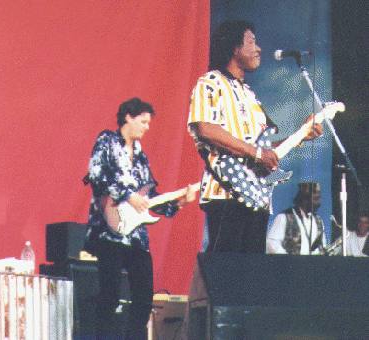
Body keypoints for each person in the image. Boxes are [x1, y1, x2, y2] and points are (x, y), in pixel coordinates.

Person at [187, 20, 322, 253]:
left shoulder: (250, 95)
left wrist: (300, 136)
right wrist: (258, 153)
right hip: (226, 194)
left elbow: (264, 151)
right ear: (234, 47)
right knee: (226, 271)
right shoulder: (211, 82)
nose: (258, 48)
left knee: (250, 275)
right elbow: (206, 128)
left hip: (257, 197)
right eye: (251, 41)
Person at [83, 97, 197, 340]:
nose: (147, 127)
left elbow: (151, 197)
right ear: (128, 117)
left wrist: (178, 202)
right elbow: (95, 175)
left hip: (136, 238)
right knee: (109, 296)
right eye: (143, 121)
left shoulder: (141, 157)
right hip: (109, 231)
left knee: (144, 299)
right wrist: (128, 195)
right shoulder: (107, 141)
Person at [266, 182, 326, 255]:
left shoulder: (319, 221)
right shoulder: (283, 217)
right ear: (305, 197)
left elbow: (322, 247)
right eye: (315, 196)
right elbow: (271, 244)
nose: (318, 201)